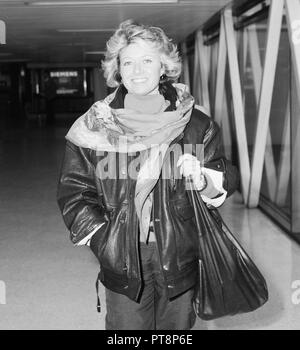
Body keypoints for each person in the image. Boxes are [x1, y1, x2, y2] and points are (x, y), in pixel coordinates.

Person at [57, 19, 239, 330]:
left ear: (163, 66)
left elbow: (226, 173)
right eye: (127, 61)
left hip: (180, 251)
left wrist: (203, 179)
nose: (137, 70)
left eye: (147, 60)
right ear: (117, 69)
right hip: (122, 256)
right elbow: (74, 191)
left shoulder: (195, 123)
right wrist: (104, 240)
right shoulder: (94, 125)